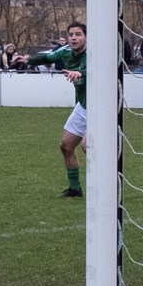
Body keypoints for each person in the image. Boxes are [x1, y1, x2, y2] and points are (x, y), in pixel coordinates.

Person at [27, 22, 89, 199]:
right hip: (83, 105)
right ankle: (75, 189)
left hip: (100, 108)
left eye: (78, 34)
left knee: (88, 146)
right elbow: (48, 58)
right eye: (71, 34)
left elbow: (92, 70)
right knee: (66, 146)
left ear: (86, 37)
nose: (74, 38)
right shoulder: (66, 52)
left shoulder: (94, 54)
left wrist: (81, 73)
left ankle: (106, 186)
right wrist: (27, 59)